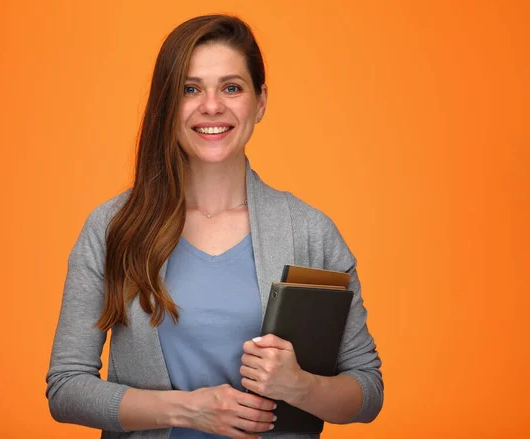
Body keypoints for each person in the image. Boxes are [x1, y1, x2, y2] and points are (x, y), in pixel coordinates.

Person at [46, 14, 383, 439]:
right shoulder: (113, 228)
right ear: (167, 104)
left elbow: (367, 390)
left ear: (259, 102)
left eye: (231, 87)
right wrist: (187, 410)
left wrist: (302, 386)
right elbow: (66, 388)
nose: (211, 106)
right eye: (190, 89)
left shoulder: (310, 232)